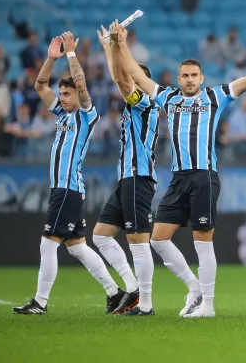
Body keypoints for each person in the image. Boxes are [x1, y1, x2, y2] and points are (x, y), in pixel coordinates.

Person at [117, 23, 246, 318]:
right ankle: (195, 288)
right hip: (178, 178)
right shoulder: (168, 98)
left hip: (204, 176)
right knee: (158, 238)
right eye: (185, 76)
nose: (190, 80)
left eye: (194, 75)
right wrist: (120, 44)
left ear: (202, 77)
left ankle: (207, 304)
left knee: (202, 241)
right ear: (179, 78)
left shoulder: (215, 96)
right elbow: (135, 75)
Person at [13, 33, 123, 315]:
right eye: (60, 94)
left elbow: (83, 86)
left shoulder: (86, 116)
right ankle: (114, 293)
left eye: (66, 94)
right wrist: (51, 59)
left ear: (78, 95)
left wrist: (72, 55)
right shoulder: (62, 115)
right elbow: (39, 86)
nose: (61, 98)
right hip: (64, 190)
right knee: (76, 247)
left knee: (47, 244)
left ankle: (40, 302)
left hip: (67, 189)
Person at [86, 23, 161, 317]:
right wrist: (109, 47)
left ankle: (146, 304)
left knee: (138, 241)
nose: (127, 80)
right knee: (102, 235)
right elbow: (119, 75)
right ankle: (132, 288)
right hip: (126, 179)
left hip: (139, 178)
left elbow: (119, 76)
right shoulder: (134, 106)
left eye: (134, 76)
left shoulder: (146, 104)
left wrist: (116, 45)